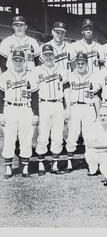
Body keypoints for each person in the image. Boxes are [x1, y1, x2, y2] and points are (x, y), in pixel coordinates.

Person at [30, 44, 69, 175]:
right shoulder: (36, 71)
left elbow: (66, 89)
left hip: (58, 104)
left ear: (54, 55)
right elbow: (34, 94)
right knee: (43, 135)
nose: (48, 57)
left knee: (57, 136)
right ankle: (41, 165)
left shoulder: (61, 69)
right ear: (42, 56)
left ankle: (55, 165)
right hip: (44, 104)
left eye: (50, 54)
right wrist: (35, 112)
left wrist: (66, 107)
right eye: (45, 54)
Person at [0, 50, 39, 178]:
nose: (18, 62)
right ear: (12, 61)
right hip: (9, 108)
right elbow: (0, 96)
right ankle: (8, 169)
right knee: (9, 139)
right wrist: (0, 114)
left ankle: (25, 169)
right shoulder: (5, 75)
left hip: (26, 109)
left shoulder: (31, 75)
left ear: (24, 61)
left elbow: (34, 96)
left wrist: (35, 113)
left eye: (20, 60)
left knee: (26, 139)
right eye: (15, 60)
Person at [65, 52, 99, 173]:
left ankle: (92, 165)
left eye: (82, 63)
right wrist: (67, 109)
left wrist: (98, 112)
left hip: (88, 108)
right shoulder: (70, 76)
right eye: (78, 63)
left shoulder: (93, 76)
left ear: (86, 63)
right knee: (72, 135)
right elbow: (67, 94)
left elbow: (96, 96)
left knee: (89, 136)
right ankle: (69, 163)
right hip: (75, 107)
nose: (80, 65)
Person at [84, 105, 107, 177]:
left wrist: (99, 144)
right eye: (100, 115)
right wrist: (105, 145)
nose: (102, 118)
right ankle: (93, 169)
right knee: (89, 152)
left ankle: (105, 170)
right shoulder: (94, 126)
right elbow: (89, 143)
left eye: (105, 115)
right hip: (98, 153)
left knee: (105, 168)